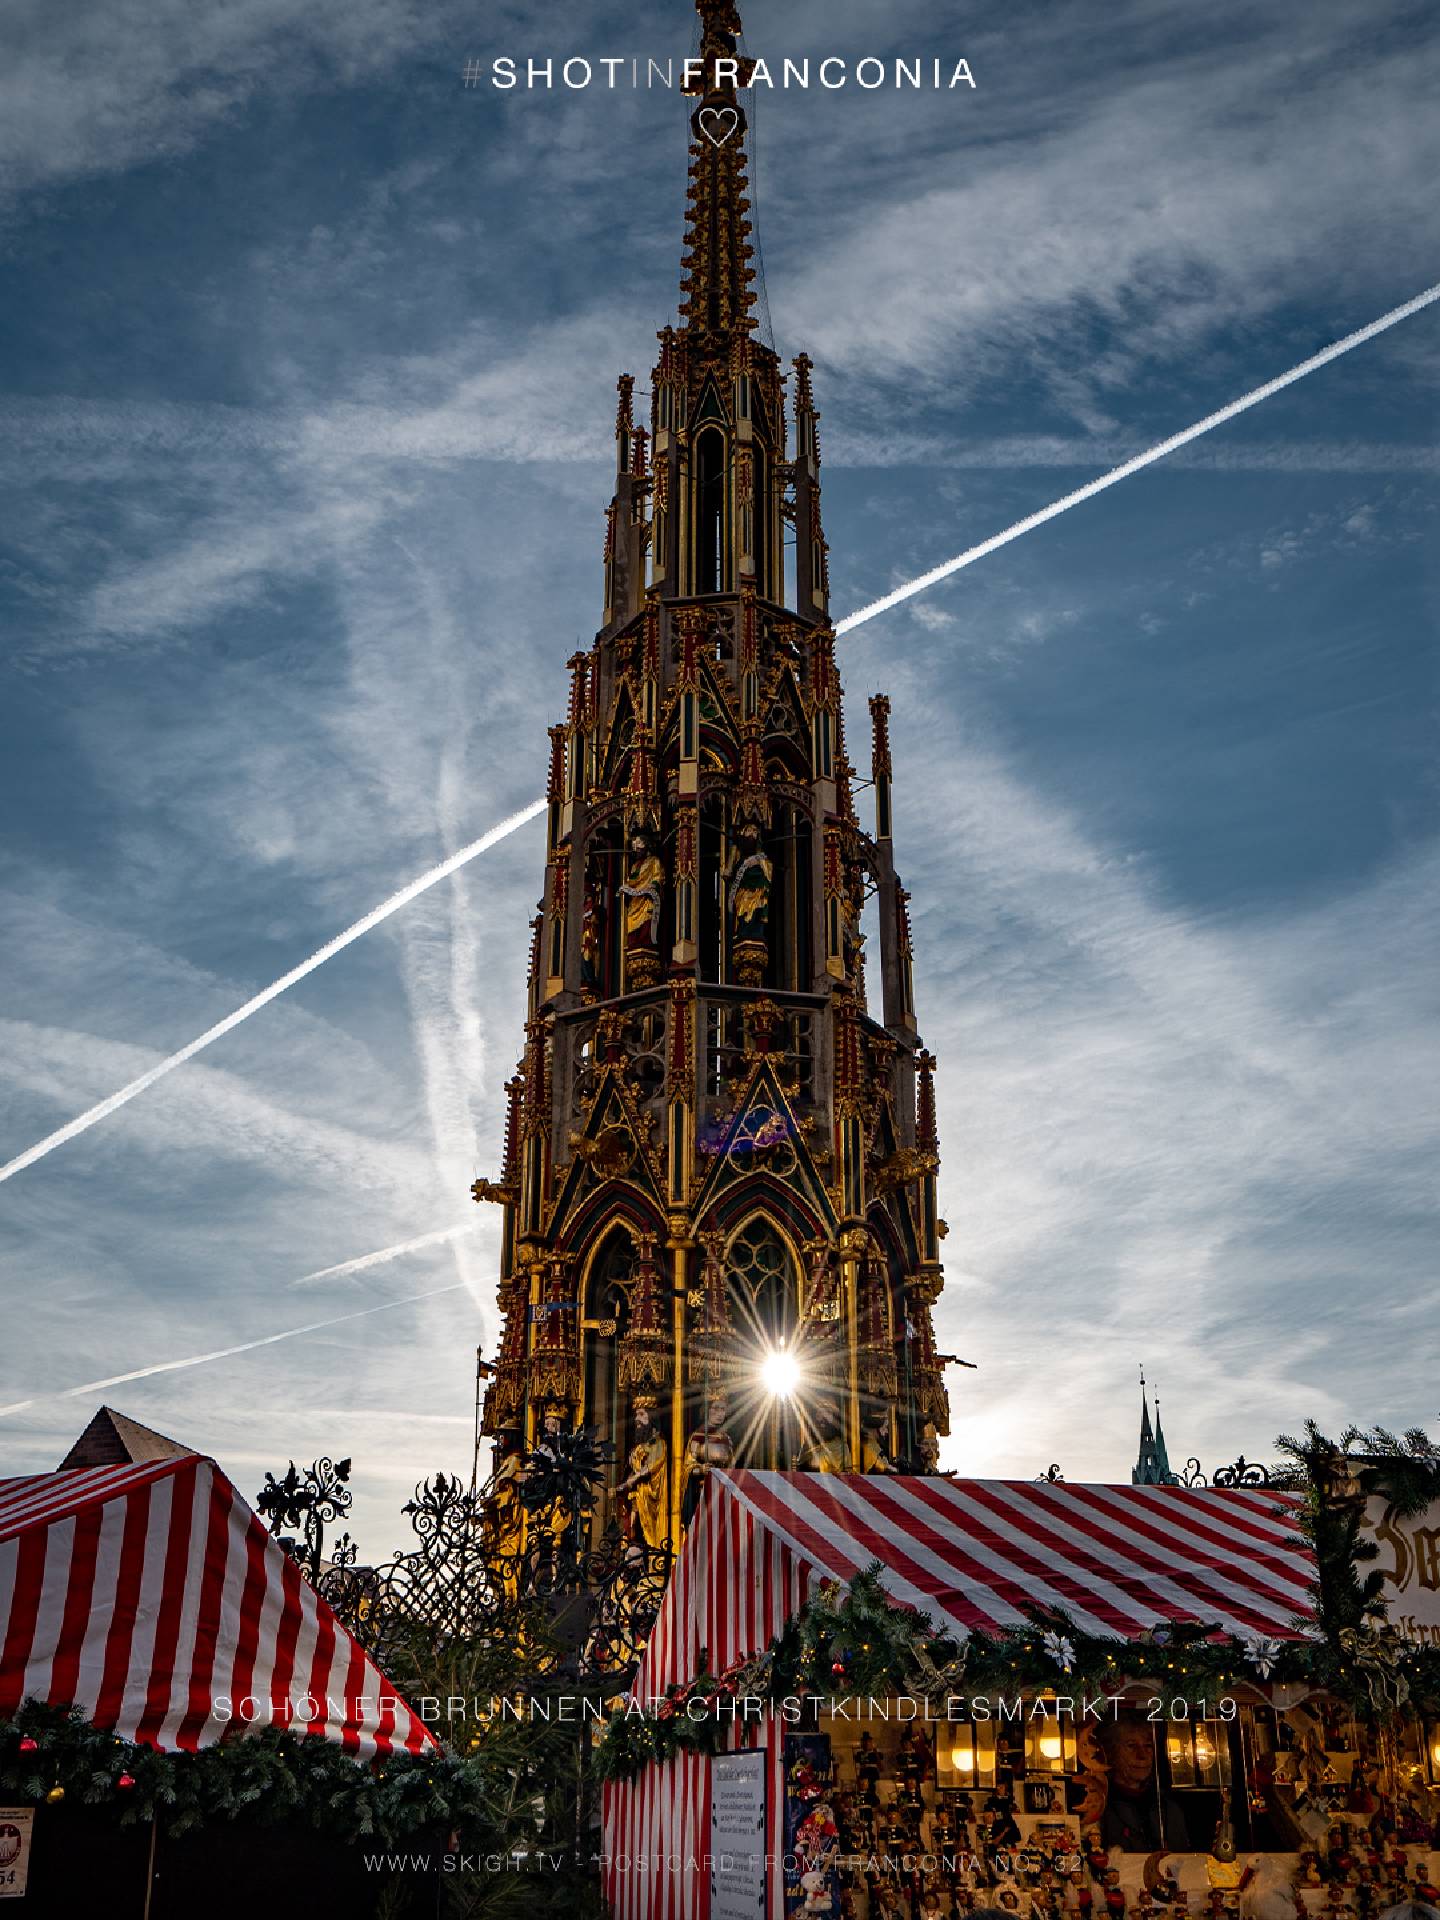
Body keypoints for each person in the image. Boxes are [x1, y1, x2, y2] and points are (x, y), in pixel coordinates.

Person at [1098, 1719, 1190, 1852]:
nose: (1142, 1755)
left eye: (1148, 1746)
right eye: (1131, 1746)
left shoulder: (1168, 1808)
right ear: (1111, 1753)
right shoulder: (1099, 1806)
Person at [617, 1397, 669, 1551]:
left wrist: (633, 1479)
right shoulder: (638, 1446)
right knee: (633, 1528)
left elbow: (652, 1466)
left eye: (641, 1414)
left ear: (651, 1417)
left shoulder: (658, 1443)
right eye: (636, 1415)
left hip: (651, 1497)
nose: (636, 1419)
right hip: (636, 1497)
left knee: (644, 1531)